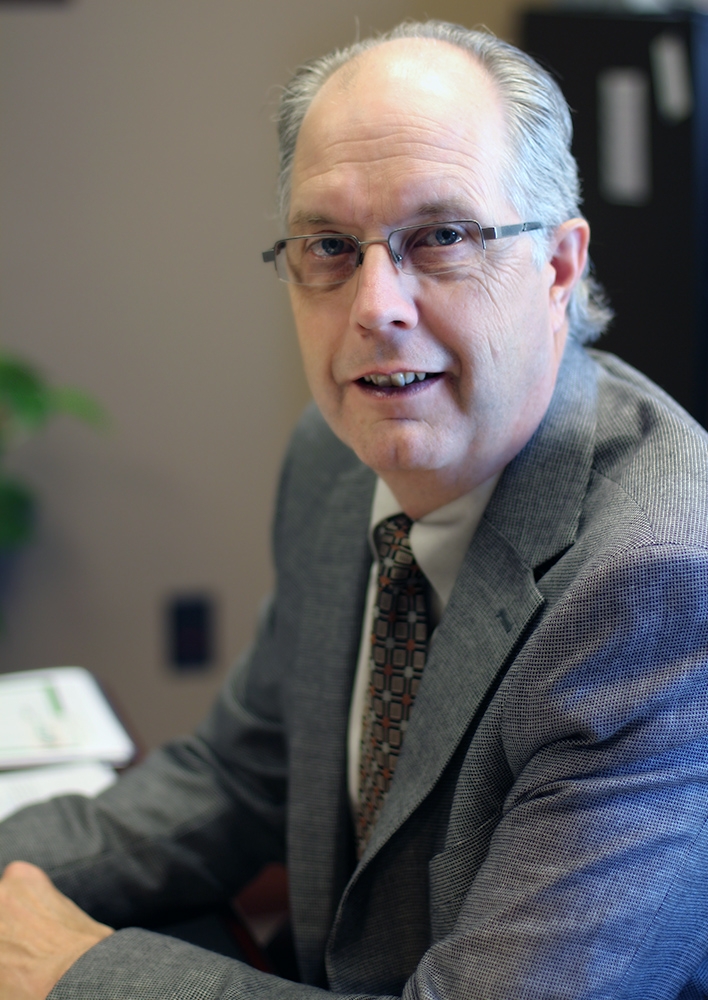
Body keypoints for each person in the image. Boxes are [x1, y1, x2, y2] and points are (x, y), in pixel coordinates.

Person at [2, 18, 708, 1000]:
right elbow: (238, 775)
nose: (376, 306)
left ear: (557, 265)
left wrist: (74, 971)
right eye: (330, 245)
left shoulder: (664, 585)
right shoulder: (334, 457)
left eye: (443, 236)